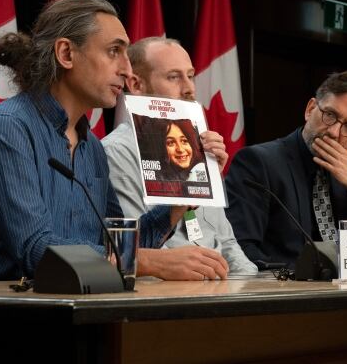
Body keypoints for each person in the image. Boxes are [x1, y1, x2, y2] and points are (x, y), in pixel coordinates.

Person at [0, 0, 228, 282]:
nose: (127, 69)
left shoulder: (92, 148)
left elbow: (119, 247)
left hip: (62, 303)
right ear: (66, 54)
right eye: (114, 51)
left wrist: (183, 197)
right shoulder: (4, 130)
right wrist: (152, 262)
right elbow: (37, 250)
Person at [103, 37, 257, 275]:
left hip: (219, 288)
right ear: (136, 85)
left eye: (191, 75)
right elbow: (132, 250)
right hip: (165, 291)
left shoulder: (201, 146)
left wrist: (250, 286)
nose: (190, 89)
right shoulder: (117, 152)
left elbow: (227, 243)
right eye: (174, 77)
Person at [224, 71, 347, 269]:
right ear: (310, 109)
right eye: (330, 115)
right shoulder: (258, 163)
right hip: (287, 293)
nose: (334, 132)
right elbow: (241, 250)